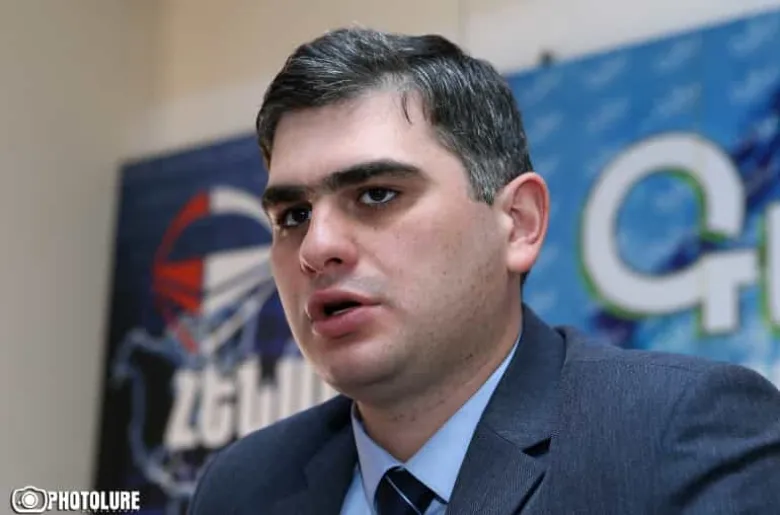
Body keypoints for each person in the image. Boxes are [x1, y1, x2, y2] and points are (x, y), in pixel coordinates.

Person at [187, 27, 780, 515]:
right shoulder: (241, 488)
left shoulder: (680, 435)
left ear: (518, 223)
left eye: (376, 195)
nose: (316, 248)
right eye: (293, 215)